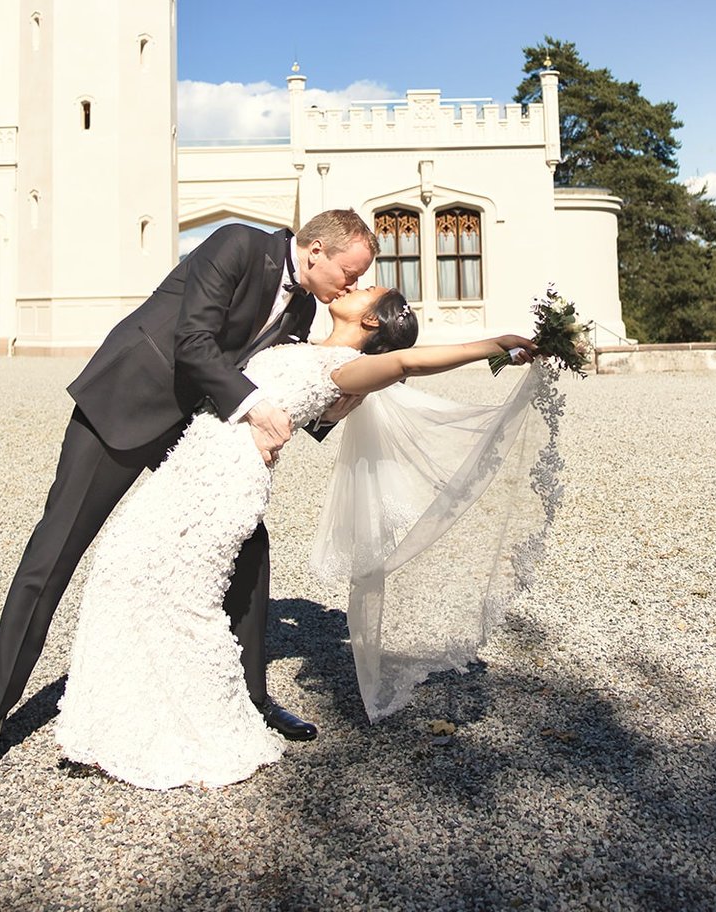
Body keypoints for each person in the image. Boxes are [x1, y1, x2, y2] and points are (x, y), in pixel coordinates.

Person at [0, 209, 379, 795]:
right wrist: (253, 408)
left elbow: (282, 383)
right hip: (126, 405)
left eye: (360, 280)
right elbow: (193, 341)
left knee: (249, 546)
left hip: (198, 429)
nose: (352, 287)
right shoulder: (237, 245)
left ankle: (250, 700)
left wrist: (356, 394)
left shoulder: (305, 308)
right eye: (350, 272)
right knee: (54, 555)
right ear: (315, 252)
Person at [53, 286, 538, 789]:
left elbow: (406, 364)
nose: (355, 285)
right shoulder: (303, 344)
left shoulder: (346, 369)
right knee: (121, 566)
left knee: (182, 599)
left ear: (372, 321)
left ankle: (203, 728)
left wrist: (495, 344)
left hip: (223, 485)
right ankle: (124, 713)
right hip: (188, 467)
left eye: (368, 289)